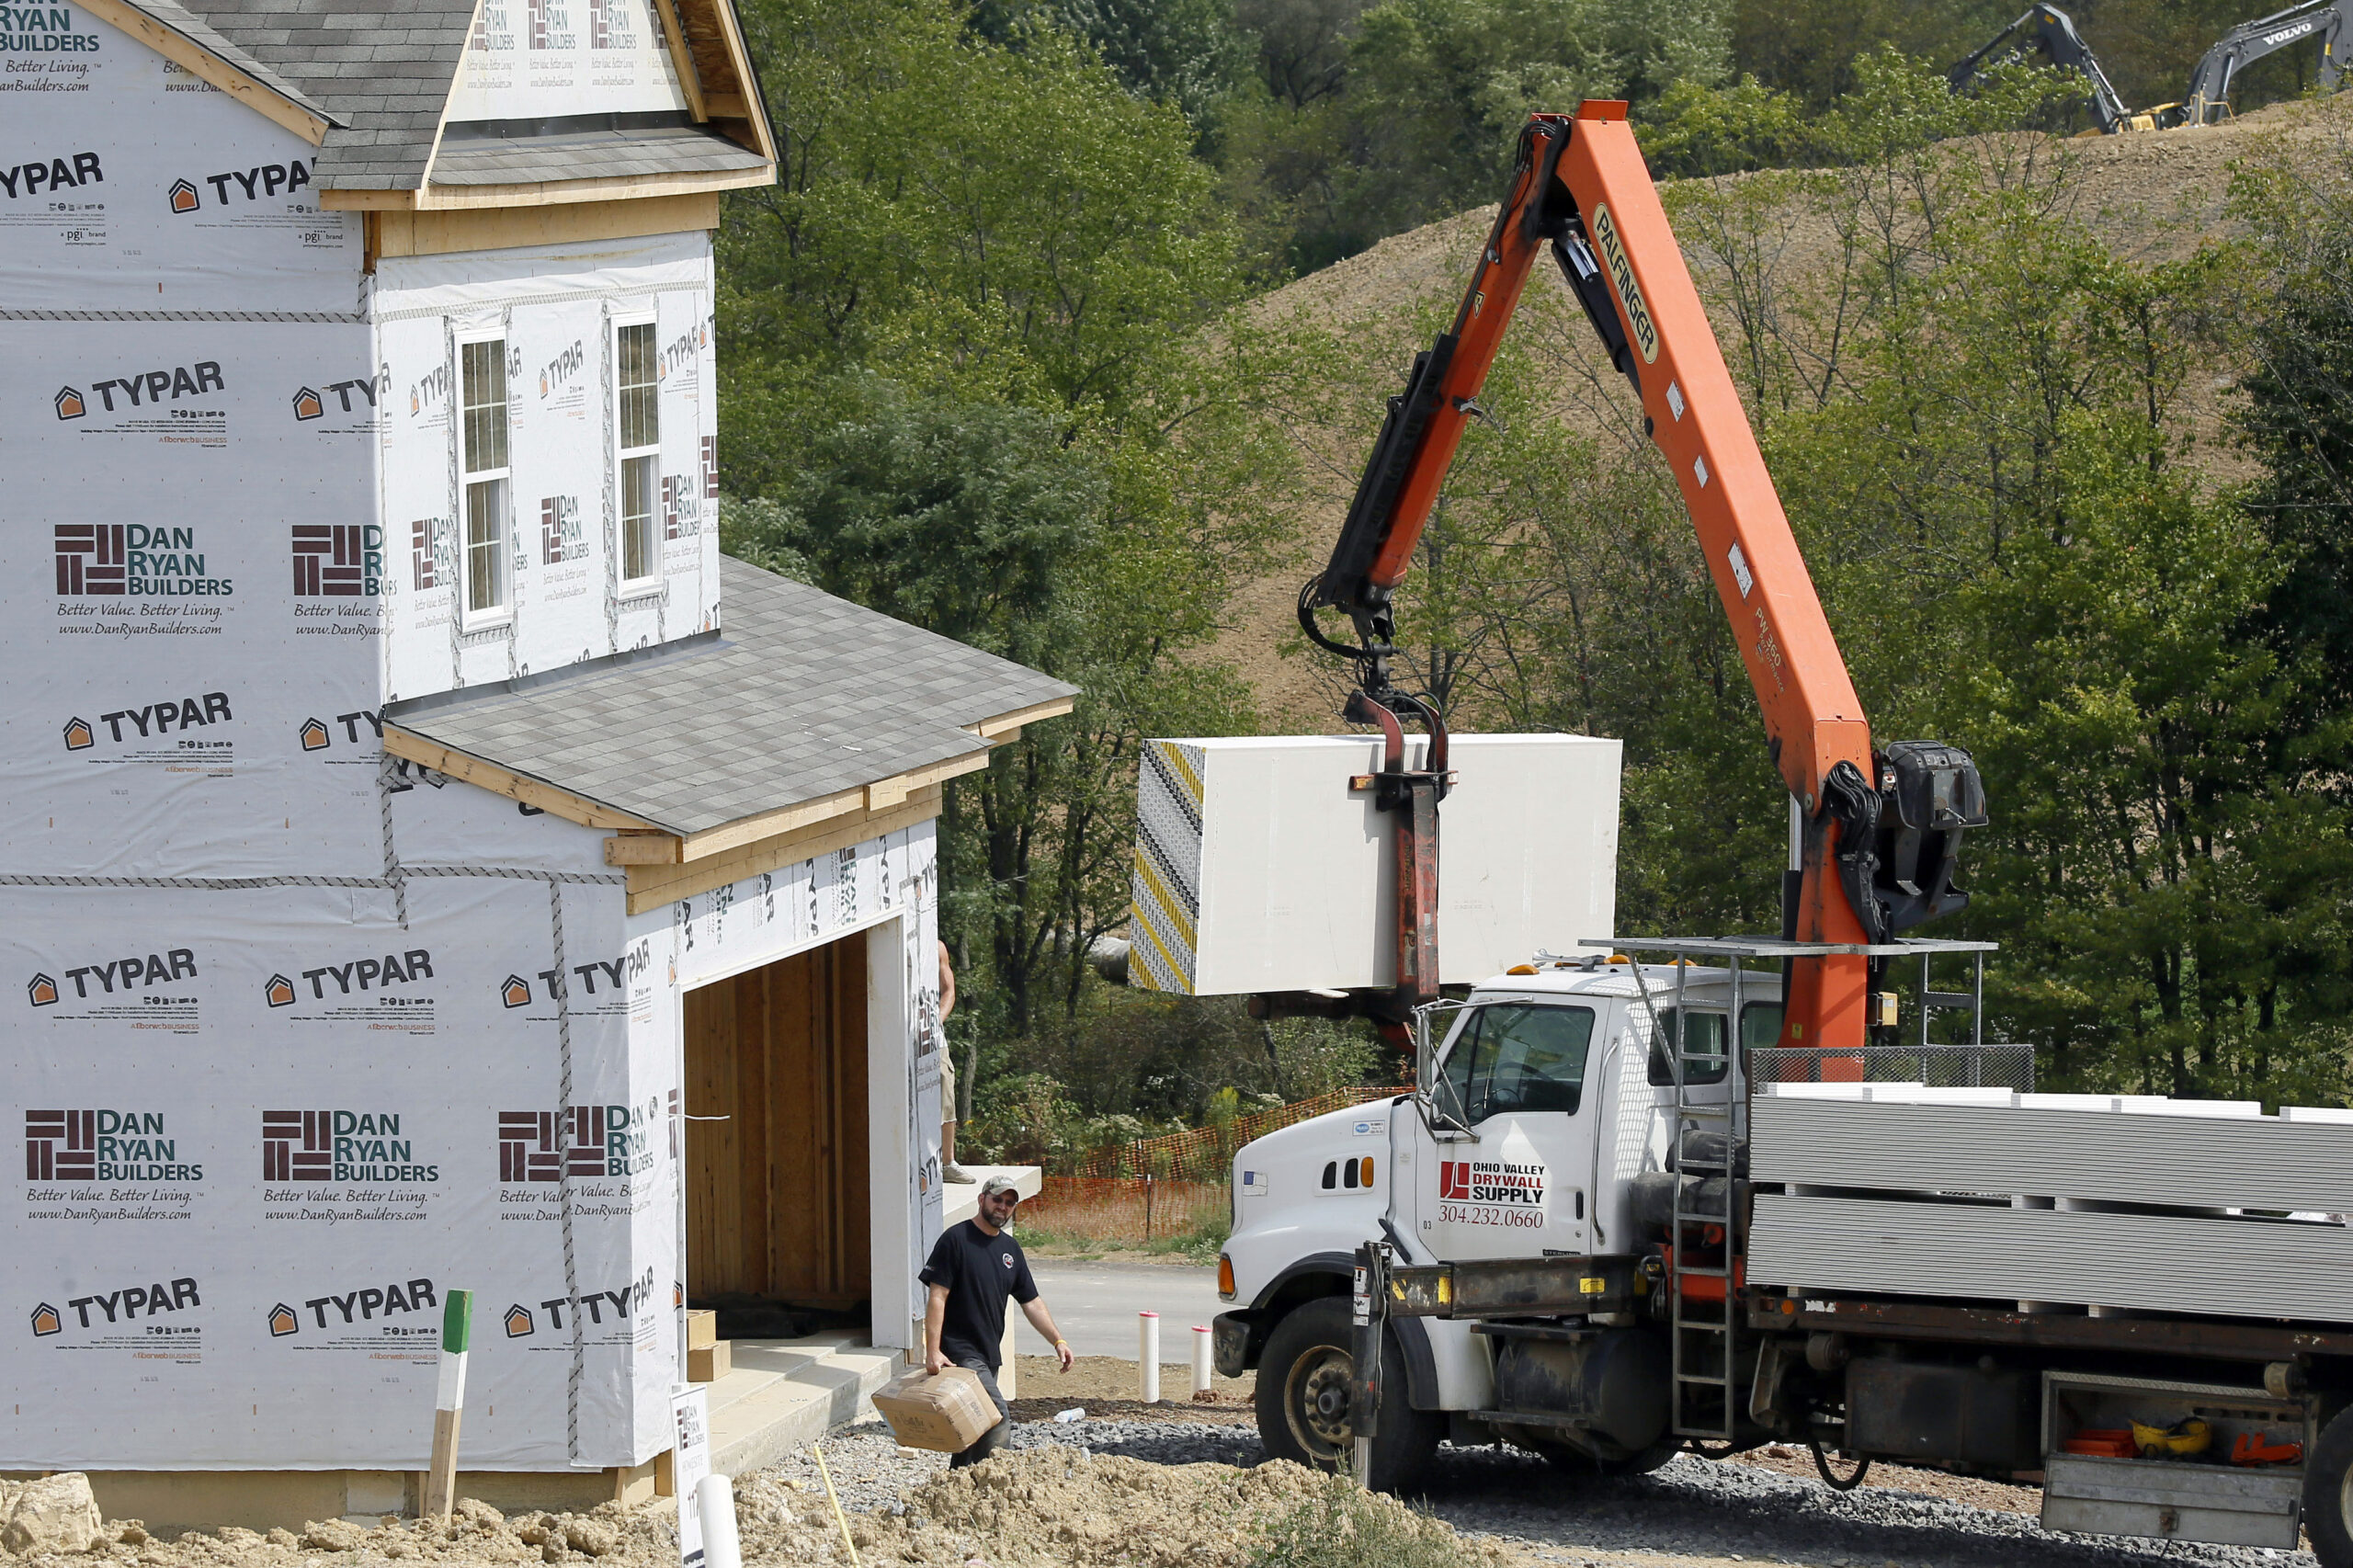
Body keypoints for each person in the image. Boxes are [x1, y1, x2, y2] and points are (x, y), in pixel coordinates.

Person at [919, 1173, 1073, 1467]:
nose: (1003, 1206)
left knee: (973, 1427)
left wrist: (1058, 1340)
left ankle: (958, 1489)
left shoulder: (1010, 1250)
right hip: (959, 1353)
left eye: (1010, 1202)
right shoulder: (956, 1239)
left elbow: (1031, 1302)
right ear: (982, 1199)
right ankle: (998, 1482)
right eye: (997, 1199)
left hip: (989, 1355)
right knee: (997, 1415)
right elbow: (937, 1296)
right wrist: (933, 1350)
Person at [938, 939, 972, 1183]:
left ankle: (947, 1163)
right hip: (895, 1034)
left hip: (931, 1037)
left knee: (944, 1090)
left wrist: (937, 1018)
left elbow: (948, 990)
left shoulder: (935, 946)